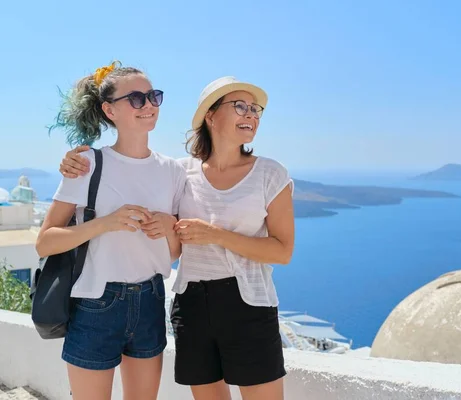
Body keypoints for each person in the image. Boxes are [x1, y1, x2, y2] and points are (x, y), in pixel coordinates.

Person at [59, 76, 295, 400]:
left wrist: (217, 235)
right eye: (240, 106)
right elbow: (166, 235)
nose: (251, 114)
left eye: (256, 109)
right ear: (210, 116)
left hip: (248, 304)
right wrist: (75, 161)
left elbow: (282, 252)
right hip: (191, 304)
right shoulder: (182, 172)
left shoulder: (270, 174)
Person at [37, 61, 186, 400]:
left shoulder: (173, 171)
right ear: (109, 109)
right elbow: (45, 242)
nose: (148, 105)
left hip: (150, 301)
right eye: (136, 98)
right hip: (95, 304)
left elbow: (174, 253)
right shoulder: (87, 163)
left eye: (153, 97)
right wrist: (105, 223)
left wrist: (168, 227)